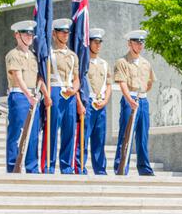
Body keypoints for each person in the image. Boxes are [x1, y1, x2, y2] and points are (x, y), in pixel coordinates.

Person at [5, 20, 52, 173]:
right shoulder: (13, 55)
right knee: (17, 133)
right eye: (26, 33)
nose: (30, 36)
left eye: (31, 33)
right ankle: (13, 167)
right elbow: (17, 77)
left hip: (33, 96)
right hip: (19, 96)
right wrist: (28, 95)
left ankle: (32, 167)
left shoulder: (32, 56)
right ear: (17, 35)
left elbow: (39, 77)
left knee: (33, 134)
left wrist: (46, 95)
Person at [113, 30, 156, 176]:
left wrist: (142, 93)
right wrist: (130, 99)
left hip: (143, 100)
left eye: (141, 42)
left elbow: (150, 82)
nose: (140, 45)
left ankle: (144, 168)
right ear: (129, 43)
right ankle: (121, 167)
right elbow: (122, 83)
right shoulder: (122, 62)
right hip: (129, 99)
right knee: (126, 135)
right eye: (137, 42)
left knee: (143, 136)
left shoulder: (146, 63)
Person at [41, 18, 80, 174]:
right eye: (62, 32)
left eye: (67, 32)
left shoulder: (73, 55)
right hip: (55, 91)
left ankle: (66, 166)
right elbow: (42, 77)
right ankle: (48, 165)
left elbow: (77, 78)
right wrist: (46, 95)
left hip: (69, 94)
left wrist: (74, 89)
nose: (65, 35)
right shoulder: (48, 54)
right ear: (54, 34)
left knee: (69, 131)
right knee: (51, 129)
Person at [74, 28, 111, 175]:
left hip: (101, 104)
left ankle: (100, 170)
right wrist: (79, 103)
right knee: (83, 138)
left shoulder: (104, 63)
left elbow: (108, 85)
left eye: (100, 42)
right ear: (88, 43)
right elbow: (76, 83)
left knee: (99, 140)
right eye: (95, 42)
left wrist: (106, 101)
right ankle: (80, 167)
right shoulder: (83, 62)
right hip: (87, 103)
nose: (98, 45)